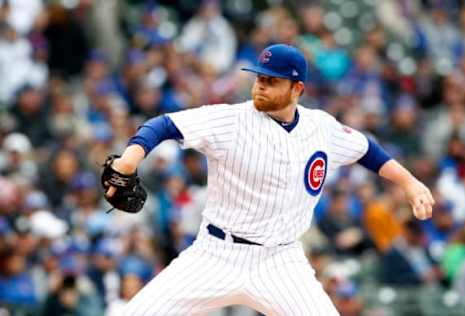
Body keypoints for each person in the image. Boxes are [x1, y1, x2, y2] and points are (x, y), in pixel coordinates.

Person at [104, 44, 435, 315]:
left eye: (272, 80)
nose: (261, 85)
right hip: (215, 253)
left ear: (297, 89)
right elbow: (163, 125)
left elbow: (368, 151)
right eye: (259, 77)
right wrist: (131, 158)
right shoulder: (231, 120)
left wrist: (410, 183)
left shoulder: (321, 128)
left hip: (280, 261)